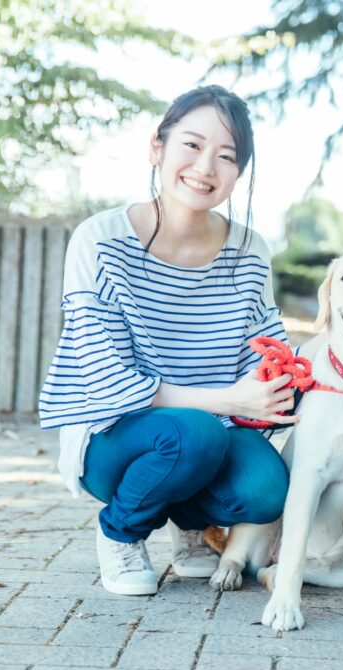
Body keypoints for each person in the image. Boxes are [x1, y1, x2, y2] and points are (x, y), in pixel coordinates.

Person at [38, 85, 316, 596]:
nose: (206, 167)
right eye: (191, 145)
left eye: (226, 156)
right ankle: (120, 531)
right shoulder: (99, 240)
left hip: (204, 432)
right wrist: (229, 399)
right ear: (157, 148)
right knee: (195, 435)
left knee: (266, 488)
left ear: (239, 172)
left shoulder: (250, 251)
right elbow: (106, 384)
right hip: (115, 438)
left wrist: (288, 379)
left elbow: (267, 350)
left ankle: (190, 527)